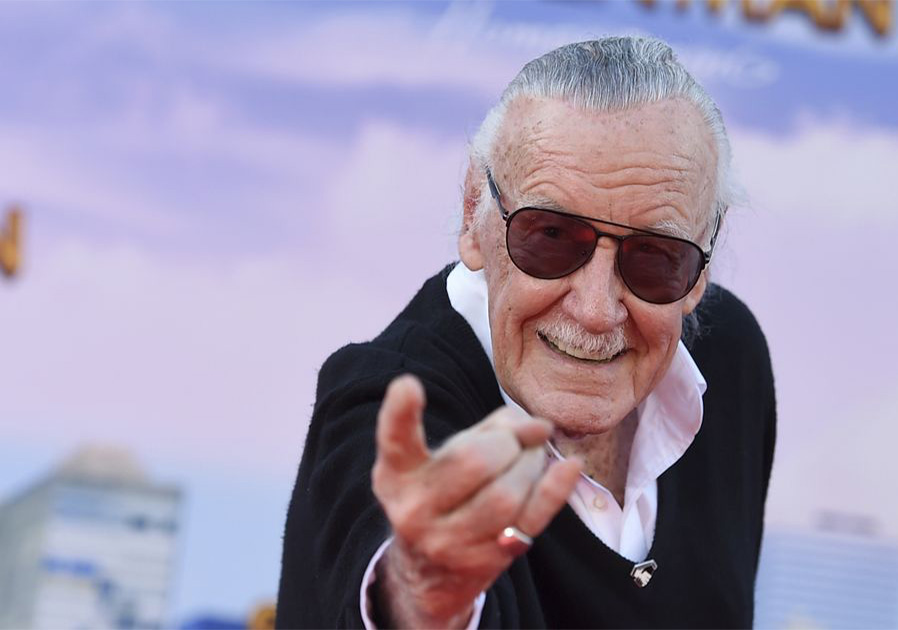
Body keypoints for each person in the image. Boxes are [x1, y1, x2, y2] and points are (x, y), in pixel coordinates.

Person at [277, 36, 776, 629]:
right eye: (551, 237)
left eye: (654, 256)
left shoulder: (728, 360)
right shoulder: (387, 408)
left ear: (704, 260)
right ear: (474, 214)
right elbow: (387, 580)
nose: (596, 310)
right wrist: (419, 592)